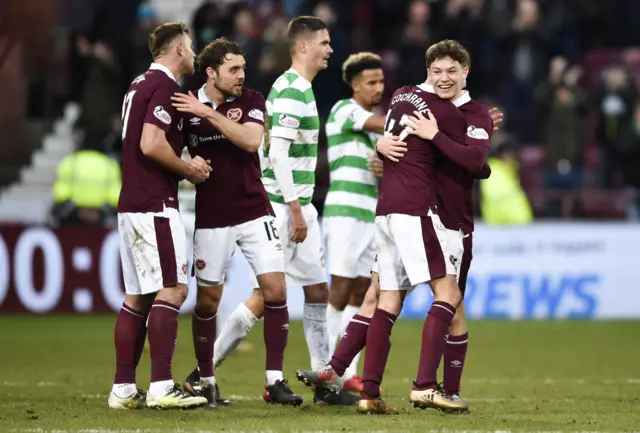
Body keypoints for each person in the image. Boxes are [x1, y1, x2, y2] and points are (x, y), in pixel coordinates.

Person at [297, 40, 495, 415]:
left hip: (391, 212)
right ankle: (426, 386)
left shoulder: (407, 98)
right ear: (427, 71)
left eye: (452, 71)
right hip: (429, 216)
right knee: (449, 298)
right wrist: (443, 137)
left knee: (382, 298)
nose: (444, 78)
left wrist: (389, 146)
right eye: (437, 71)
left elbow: (476, 162)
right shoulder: (447, 112)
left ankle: (363, 388)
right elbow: (475, 160)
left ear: (466, 71)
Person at [171, 37, 300, 407]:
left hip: (255, 210)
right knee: (208, 301)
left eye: (243, 68)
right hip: (212, 217)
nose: (242, 76)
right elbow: (171, 153)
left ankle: (274, 380)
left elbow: (250, 140)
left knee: (276, 290)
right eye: (233, 70)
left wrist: (209, 113)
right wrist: (187, 170)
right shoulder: (184, 107)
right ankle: (207, 381)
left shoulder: (252, 101)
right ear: (211, 73)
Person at [108, 22, 211, 410]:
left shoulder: (138, 84)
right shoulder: (167, 88)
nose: (194, 53)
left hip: (131, 202)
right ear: (179, 50)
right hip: (154, 204)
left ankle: (122, 389)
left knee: (138, 297)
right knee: (174, 289)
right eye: (191, 47)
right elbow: (151, 143)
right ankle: (161, 385)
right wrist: (188, 169)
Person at [321, 52, 386, 393]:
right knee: (341, 288)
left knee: (361, 293)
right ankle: (326, 368)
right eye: (372, 82)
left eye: (381, 82)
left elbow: (386, 167)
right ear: (355, 85)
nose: (378, 88)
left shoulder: (375, 131)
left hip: (368, 215)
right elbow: (383, 124)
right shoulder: (344, 110)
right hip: (344, 212)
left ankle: (346, 373)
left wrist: (386, 168)